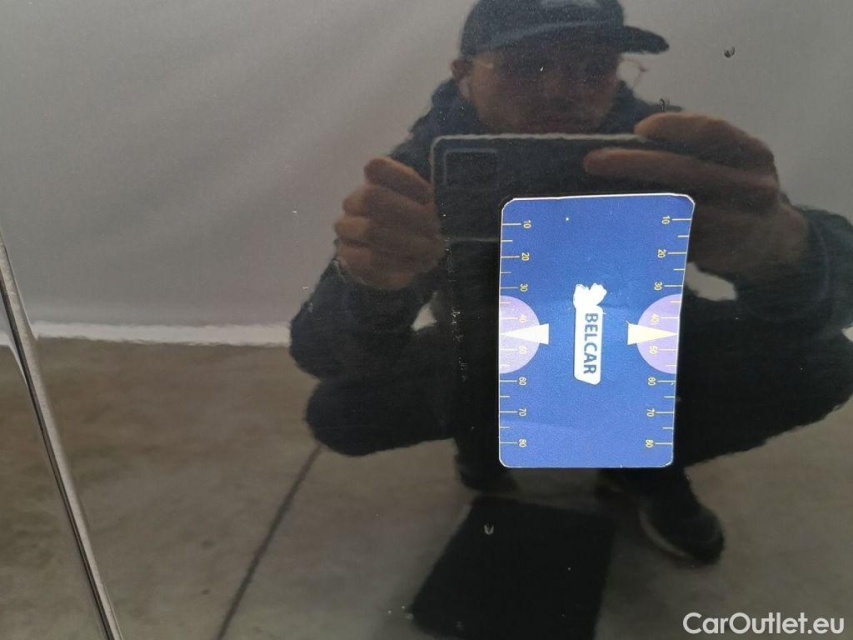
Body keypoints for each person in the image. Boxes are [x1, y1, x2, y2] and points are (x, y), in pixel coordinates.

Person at [289, 0, 853, 564]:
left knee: (828, 364)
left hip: (635, 341)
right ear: (464, 75)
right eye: (526, 64)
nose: (563, 90)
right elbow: (319, 351)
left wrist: (786, 253)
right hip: (492, 350)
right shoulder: (430, 164)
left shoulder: (660, 143)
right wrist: (372, 287)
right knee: (343, 410)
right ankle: (490, 442)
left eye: (594, 67)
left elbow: (836, 289)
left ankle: (639, 462)